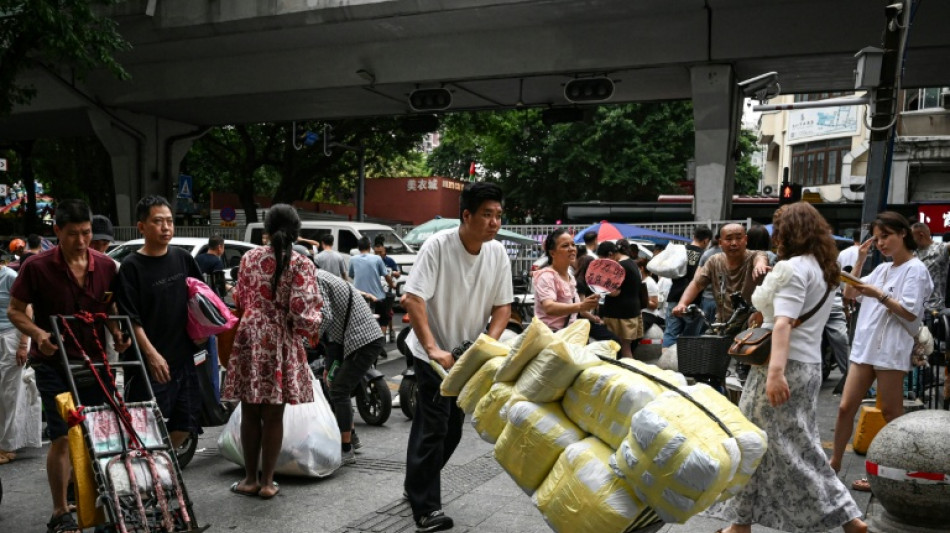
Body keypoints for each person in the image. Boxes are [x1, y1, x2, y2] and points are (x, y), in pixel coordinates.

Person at [708, 202, 867, 533]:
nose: (774, 235)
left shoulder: (792, 269)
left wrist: (775, 374)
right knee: (771, 443)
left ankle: (846, 515)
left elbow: (783, 324)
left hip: (780, 367)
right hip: (806, 366)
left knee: (778, 445)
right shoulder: (825, 266)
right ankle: (740, 523)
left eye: (778, 229)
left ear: (790, 232)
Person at [8, 199, 130, 533]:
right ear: (57, 231)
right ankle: (60, 511)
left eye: (86, 233)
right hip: (53, 363)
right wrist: (38, 334)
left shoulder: (106, 267)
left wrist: (119, 335)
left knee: (101, 435)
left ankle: (104, 506)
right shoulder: (37, 267)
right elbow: (16, 311)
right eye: (73, 234)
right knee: (62, 437)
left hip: (94, 363)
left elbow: (110, 309)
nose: (81, 241)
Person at [403, 182, 513, 532]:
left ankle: (416, 482)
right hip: (431, 354)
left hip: (465, 358)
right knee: (434, 427)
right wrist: (434, 348)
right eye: (487, 214)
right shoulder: (438, 246)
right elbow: (413, 300)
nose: (494, 222)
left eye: (498, 215)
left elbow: (502, 307)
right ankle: (426, 509)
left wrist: (486, 345)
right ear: (466, 215)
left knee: (451, 430)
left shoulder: (497, 254)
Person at [222, 204, 322, 499]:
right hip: (280, 340)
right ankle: (267, 483)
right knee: (274, 416)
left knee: (250, 412)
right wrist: (309, 332)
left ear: (266, 229)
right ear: (296, 230)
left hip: (250, 338)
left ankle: (249, 479)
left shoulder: (249, 258)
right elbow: (304, 310)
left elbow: (239, 298)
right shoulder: (301, 263)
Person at [830, 211, 932, 492]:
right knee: (844, 407)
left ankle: (893, 472)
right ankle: (834, 464)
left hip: (890, 348)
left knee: (890, 412)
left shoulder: (916, 269)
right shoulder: (883, 268)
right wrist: (860, 260)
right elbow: (851, 294)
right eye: (876, 239)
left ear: (903, 233)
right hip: (866, 347)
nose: (881, 243)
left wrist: (879, 295)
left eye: (885, 236)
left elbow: (910, 312)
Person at [115, 196, 204, 451]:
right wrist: (152, 355)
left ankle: (162, 465)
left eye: (169, 221)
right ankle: (146, 474)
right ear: (141, 227)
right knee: (144, 428)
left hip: (183, 358)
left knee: (186, 423)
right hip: (147, 363)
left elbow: (200, 298)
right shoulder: (132, 267)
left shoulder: (183, 258)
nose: (166, 227)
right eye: (157, 222)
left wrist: (203, 330)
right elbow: (131, 319)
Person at [314, 266, 383, 464]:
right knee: (334, 384)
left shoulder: (316, 279)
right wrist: (329, 366)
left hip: (363, 341)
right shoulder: (325, 278)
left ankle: (346, 448)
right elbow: (335, 337)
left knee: (339, 390)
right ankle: (352, 437)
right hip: (355, 341)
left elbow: (325, 316)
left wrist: (306, 340)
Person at [672, 224, 769, 334]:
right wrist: (682, 304)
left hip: (750, 324)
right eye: (729, 239)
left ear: (745, 239)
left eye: (738, 238)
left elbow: (760, 258)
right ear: (720, 243)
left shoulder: (755, 256)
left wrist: (760, 265)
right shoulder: (714, 261)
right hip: (723, 323)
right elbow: (697, 284)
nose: (734, 243)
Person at [0, 260, 37, 463]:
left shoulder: (9, 277)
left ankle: (8, 446)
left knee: (10, 392)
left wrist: (24, 344)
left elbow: (27, 310)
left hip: (12, 337)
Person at [532, 229, 600, 332]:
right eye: (565, 246)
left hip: (567, 335)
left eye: (573, 244)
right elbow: (549, 307)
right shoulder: (546, 276)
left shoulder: (570, 277)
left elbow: (578, 308)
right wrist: (581, 305)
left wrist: (590, 301)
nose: (572, 249)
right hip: (550, 337)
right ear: (552, 253)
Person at [661, 225, 711, 348]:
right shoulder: (705, 256)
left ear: (693, 236)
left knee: (670, 333)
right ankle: (687, 362)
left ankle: (665, 363)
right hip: (694, 301)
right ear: (706, 240)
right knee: (691, 335)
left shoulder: (680, 251)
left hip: (674, 297)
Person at [597, 240, 643, 358]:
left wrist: (600, 285)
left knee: (621, 349)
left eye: (604, 259)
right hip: (632, 310)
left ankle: (628, 374)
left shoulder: (619, 267)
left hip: (619, 314)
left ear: (611, 254)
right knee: (626, 348)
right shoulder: (632, 263)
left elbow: (614, 293)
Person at [349, 237, 396, 337]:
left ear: (358, 248)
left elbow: (352, 275)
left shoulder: (352, 259)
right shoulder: (377, 258)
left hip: (359, 296)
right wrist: (392, 285)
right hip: (377, 295)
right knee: (384, 318)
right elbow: (386, 275)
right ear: (370, 247)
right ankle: (380, 340)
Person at [910, 222, 949, 313]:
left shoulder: (940, 249)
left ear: (921, 235)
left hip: (934, 308)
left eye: (912, 237)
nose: (910, 240)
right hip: (914, 307)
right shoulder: (913, 254)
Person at [636, 257, 662, 331]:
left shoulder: (650, 283)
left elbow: (655, 304)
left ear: (641, 268)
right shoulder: (640, 281)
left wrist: (642, 300)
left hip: (648, 314)